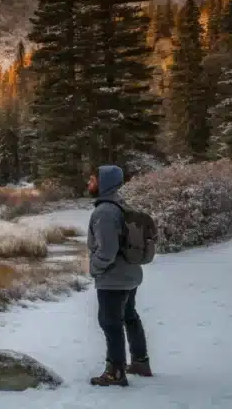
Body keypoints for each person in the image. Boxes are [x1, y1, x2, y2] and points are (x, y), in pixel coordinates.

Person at [87, 165, 151, 387]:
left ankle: (115, 371)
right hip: (129, 274)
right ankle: (140, 362)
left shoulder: (104, 211)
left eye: (93, 179)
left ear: (104, 183)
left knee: (109, 322)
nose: (89, 183)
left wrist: (94, 268)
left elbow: (107, 251)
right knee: (129, 315)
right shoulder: (120, 205)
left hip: (113, 279)